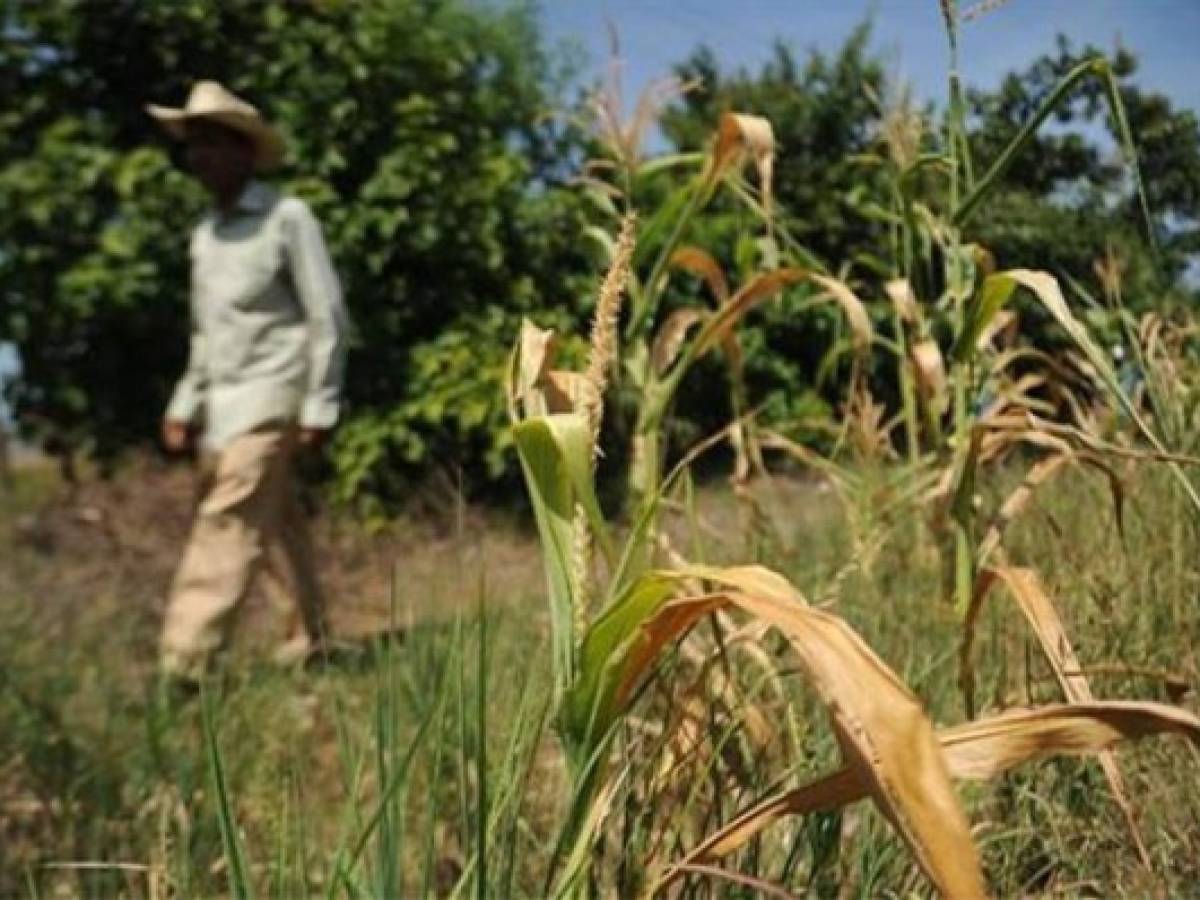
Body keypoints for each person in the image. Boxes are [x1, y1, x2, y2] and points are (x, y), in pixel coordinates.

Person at [147, 81, 349, 686]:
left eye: (209, 142)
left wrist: (320, 405)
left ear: (242, 149)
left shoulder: (289, 218)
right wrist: (185, 401)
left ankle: (184, 665)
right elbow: (206, 332)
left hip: (273, 397)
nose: (197, 156)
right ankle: (310, 643)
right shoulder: (205, 236)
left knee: (227, 522)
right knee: (277, 527)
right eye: (191, 144)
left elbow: (327, 314)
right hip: (223, 407)